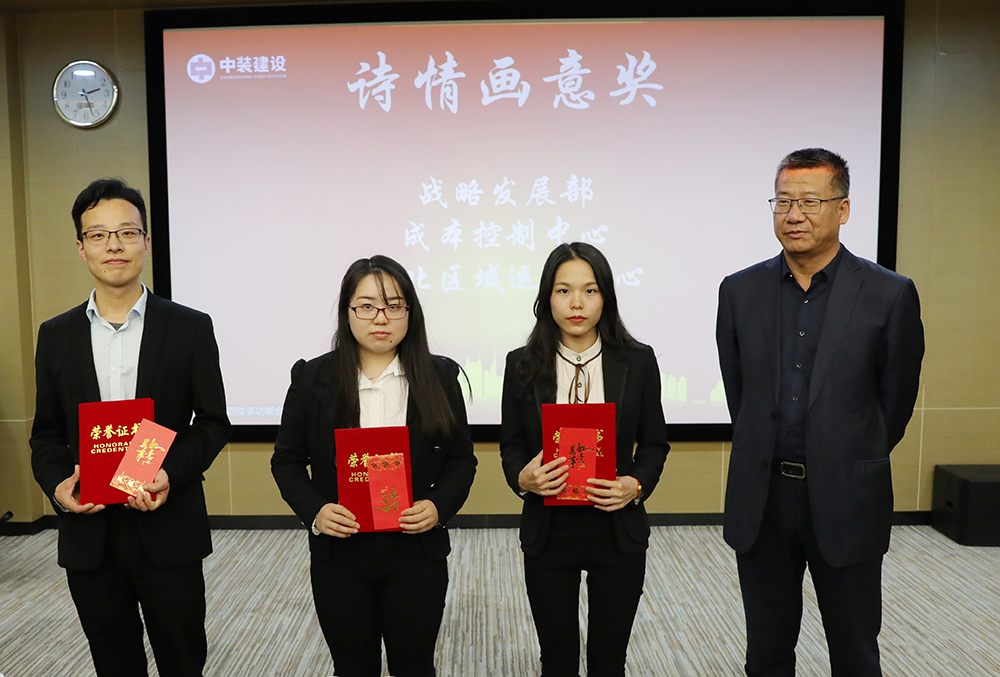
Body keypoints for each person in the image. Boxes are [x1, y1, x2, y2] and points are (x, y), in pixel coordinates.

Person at [716, 148, 924, 676]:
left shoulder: (889, 294)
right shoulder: (739, 291)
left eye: (809, 202)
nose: (794, 215)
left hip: (847, 497)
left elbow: (894, 404)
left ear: (843, 209)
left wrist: (851, 453)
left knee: (854, 652)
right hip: (763, 499)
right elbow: (740, 393)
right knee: (766, 652)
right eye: (783, 201)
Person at [30, 178, 231, 677]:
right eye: (98, 235)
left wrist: (169, 472)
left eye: (126, 232)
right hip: (90, 534)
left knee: (183, 659)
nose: (113, 245)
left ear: (146, 242)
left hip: (168, 526)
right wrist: (59, 487)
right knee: (113, 662)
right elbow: (46, 435)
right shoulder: (56, 335)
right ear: (81, 248)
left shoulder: (189, 327)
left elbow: (212, 424)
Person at [271, 255, 477, 677]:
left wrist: (438, 507)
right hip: (341, 553)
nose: (380, 318)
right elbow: (286, 462)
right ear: (347, 312)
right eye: (366, 306)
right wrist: (316, 512)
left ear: (410, 312)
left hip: (416, 552)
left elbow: (461, 460)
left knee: (414, 665)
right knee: (352, 666)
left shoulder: (439, 377)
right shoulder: (313, 378)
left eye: (394, 305)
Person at [500, 242, 669, 677]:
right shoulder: (521, 364)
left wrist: (635, 485)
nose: (576, 303)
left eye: (589, 290)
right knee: (557, 661)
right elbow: (511, 445)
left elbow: (655, 444)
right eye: (563, 291)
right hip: (549, 530)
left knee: (608, 662)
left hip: (616, 529)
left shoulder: (637, 361)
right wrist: (523, 478)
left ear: (605, 296)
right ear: (547, 297)